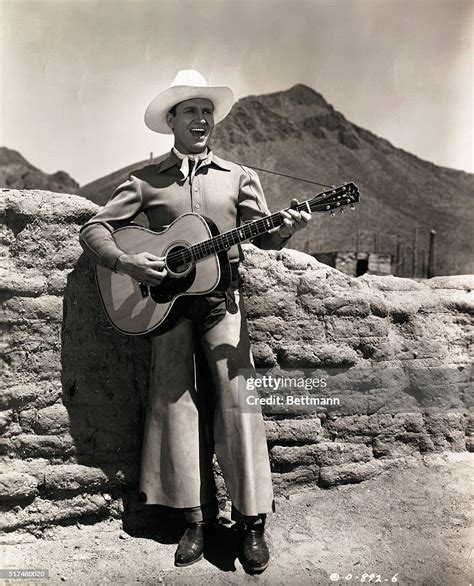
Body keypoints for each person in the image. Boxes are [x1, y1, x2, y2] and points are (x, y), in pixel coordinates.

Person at [79, 69, 311, 572]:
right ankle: (194, 520)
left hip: (221, 305)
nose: (202, 119)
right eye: (191, 111)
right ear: (172, 121)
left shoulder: (238, 177)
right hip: (165, 310)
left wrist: (286, 229)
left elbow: (263, 236)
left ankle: (251, 525)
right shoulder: (144, 182)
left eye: (207, 111)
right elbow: (94, 229)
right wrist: (128, 262)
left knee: (238, 403)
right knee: (174, 406)